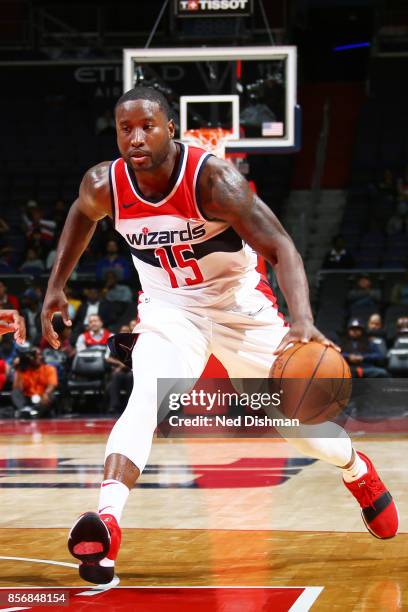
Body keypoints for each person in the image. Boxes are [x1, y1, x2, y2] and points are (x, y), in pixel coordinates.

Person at [41, 86, 398, 585]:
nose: (136, 137)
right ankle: (107, 524)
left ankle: (355, 466)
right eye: (126, 128)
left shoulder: (214, 181)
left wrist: (302, 320)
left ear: (171, 128)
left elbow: (283, 247)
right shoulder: (104, 183)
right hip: (170, 311)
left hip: (240, 309)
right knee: (145, 397)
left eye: (148, 126)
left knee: (300, 428)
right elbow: (81, 214)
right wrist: (55, 288)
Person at [11, 345, 58, 418]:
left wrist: (46, 393)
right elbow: (17, 388)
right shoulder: (23, 370)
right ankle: (25, 410)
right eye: (35, 355)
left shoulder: (49, 369)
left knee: (51, 396)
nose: (38, 357)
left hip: (42, 398)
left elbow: (52, 385)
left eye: (39, 355)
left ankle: (32, 413)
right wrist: (18, 369)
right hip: (27, 398)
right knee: (15, 393)